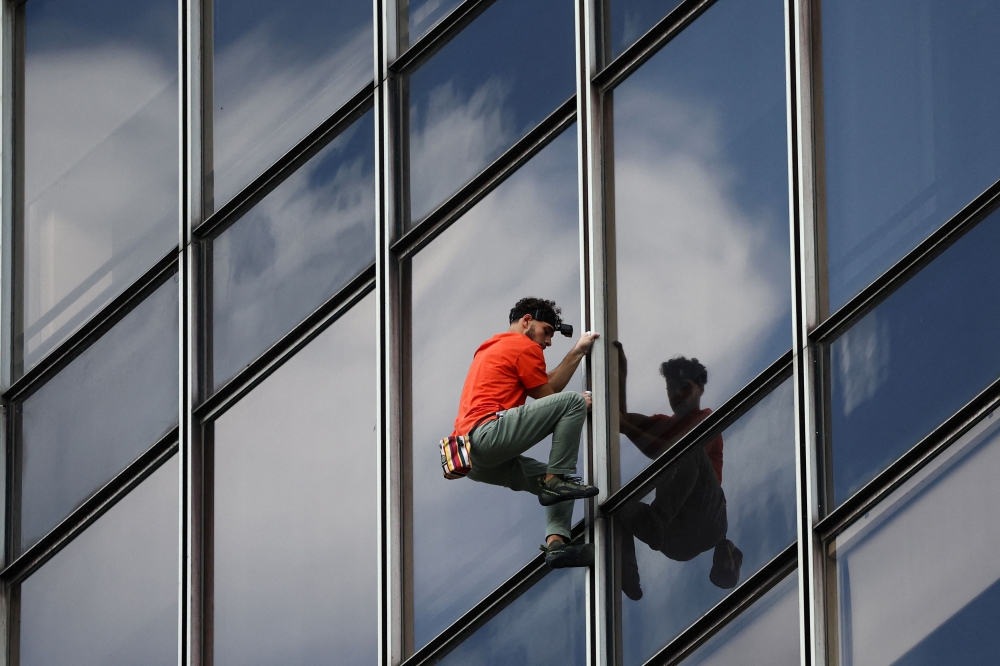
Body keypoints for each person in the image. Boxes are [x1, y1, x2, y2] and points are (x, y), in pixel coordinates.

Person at [453, 297, 600, 568]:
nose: (548, 342)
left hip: (471, 458)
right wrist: (578, 392)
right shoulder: (522, 345)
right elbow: (549, 396)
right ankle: (555, 483)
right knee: (572, 403)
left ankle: (557, 545)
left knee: (559, 483)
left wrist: (578, 351)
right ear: (527, 321)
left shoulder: (490, 348)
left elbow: (544, 391)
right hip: (488, 433)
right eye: (547, 332)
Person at [613, 342, 742, 600]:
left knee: (687, 447)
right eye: (672, 389)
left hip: (706, 517)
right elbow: (621, 420)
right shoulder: (664, 425)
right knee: (616, 508)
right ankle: (628, 574)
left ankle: (656, 520)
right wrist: (620, 371)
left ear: (700, 388)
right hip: (676, 541)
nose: (677, 395)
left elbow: (642, 437)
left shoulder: (706, 420)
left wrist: (627, 427)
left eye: (685, 388)